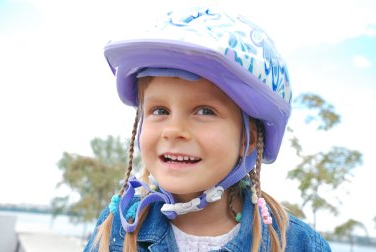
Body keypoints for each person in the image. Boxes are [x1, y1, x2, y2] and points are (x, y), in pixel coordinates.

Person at [84, 6, 331, 252]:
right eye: (160, 110)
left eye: (204, 111)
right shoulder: (117, 225)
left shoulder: (297, 244)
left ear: (250, 138)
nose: (173, 130)